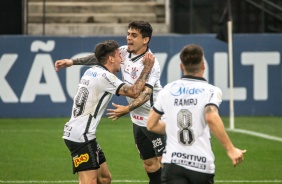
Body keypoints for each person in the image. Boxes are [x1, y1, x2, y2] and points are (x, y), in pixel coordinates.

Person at [55, 21, 165, 184]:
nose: (128, 38)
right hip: (136, 120)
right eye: (128, 34)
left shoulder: (152, 63)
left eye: (134, 35)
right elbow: (100, 58)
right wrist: (73, 62)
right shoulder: (123, 52)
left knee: (166, 163)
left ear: (145, 40)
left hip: (155, 118)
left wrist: (126, 108)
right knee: (149, 164)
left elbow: (146, 94)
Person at [146, 44, 247, 184]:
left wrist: (173, 126)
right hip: (201, 165)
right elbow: (211, 117)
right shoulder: (211, 91)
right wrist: (230, 149)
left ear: (181, 67)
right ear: (203, 66)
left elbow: (151, 125)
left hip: (173, 163)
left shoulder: (168, 90)